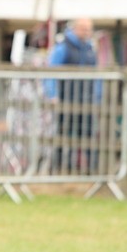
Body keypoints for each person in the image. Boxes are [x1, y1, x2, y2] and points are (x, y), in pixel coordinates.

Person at [45, 18, 99, 174]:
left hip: (86, 99)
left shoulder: (90, 48)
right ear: (76, 28)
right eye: (84, 29)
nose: (87, 32)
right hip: (65, 98)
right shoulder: (63, 47)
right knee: (63, 132)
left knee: (88, 133)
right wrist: (53, 94)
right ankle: (59, 169)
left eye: (89, 29)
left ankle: (91, 171)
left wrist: (96, 95)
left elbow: (97, 75)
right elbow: (51, 72)